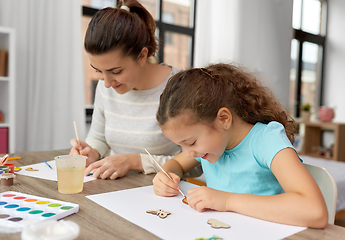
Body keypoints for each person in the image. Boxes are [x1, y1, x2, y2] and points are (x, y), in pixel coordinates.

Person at [152, 63, 328, 228]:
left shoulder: (266, 141)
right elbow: (177, 164)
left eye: (191, 143)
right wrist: (167, 175)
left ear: (223, 119)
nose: (189, 153)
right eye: (182, 146)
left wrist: (227, 201)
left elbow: (315, 211)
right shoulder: (211, 146)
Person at [70, 0, 202, 180]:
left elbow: (198, 161)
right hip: (111, 190)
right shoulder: (106, 86)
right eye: (98, 71)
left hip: (164, 194)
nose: (107, 83)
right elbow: (98, 138)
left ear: (142, 56)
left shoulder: (182, 88)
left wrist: (136, 162)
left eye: (115, 71)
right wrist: (91, 152)